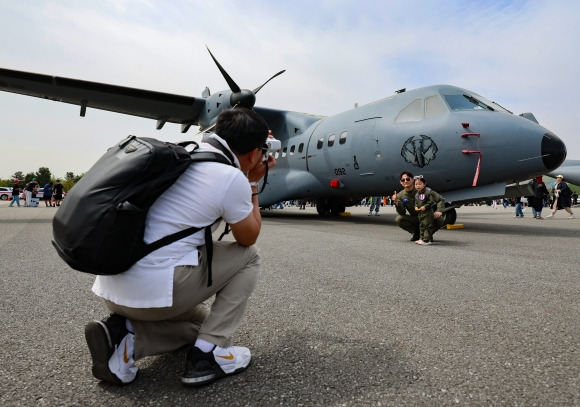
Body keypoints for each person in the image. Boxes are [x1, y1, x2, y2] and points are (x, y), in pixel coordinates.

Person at [85, 107, 276, 387]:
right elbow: (248, 238)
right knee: (249, 258)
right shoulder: (230, 176)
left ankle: (123, 337)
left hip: (113, 284)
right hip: (156, 294)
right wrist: (252, 182)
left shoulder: (182, 151)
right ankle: (211, 354)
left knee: (202, 326)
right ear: (251, 154)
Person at [392, 171, 445, 241]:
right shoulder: (400, 195)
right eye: (403, 180)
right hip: (415, 219)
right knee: (399, 219)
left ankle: (428, 234)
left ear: (412, 180)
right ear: (400, 182)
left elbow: (440, 199)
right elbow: (402, 212)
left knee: (440, 219)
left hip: (426, 216)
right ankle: (416, 233)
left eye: (408, 179)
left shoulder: (423, 189)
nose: (405, 181)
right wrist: (396, 202)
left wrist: (439, 211)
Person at [413, 176, 445, 245]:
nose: (418, 186)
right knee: (422, 225)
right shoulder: (417, 194)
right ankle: (422, 238)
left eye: (420, 184)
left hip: (427, 213)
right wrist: (415, 206)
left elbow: (437, 200)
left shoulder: (428, 192)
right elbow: (416, 202)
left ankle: (426, 239)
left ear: (424, 184)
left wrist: (439, 210)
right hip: (421, 213)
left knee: (427, 225)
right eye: (416, 184)